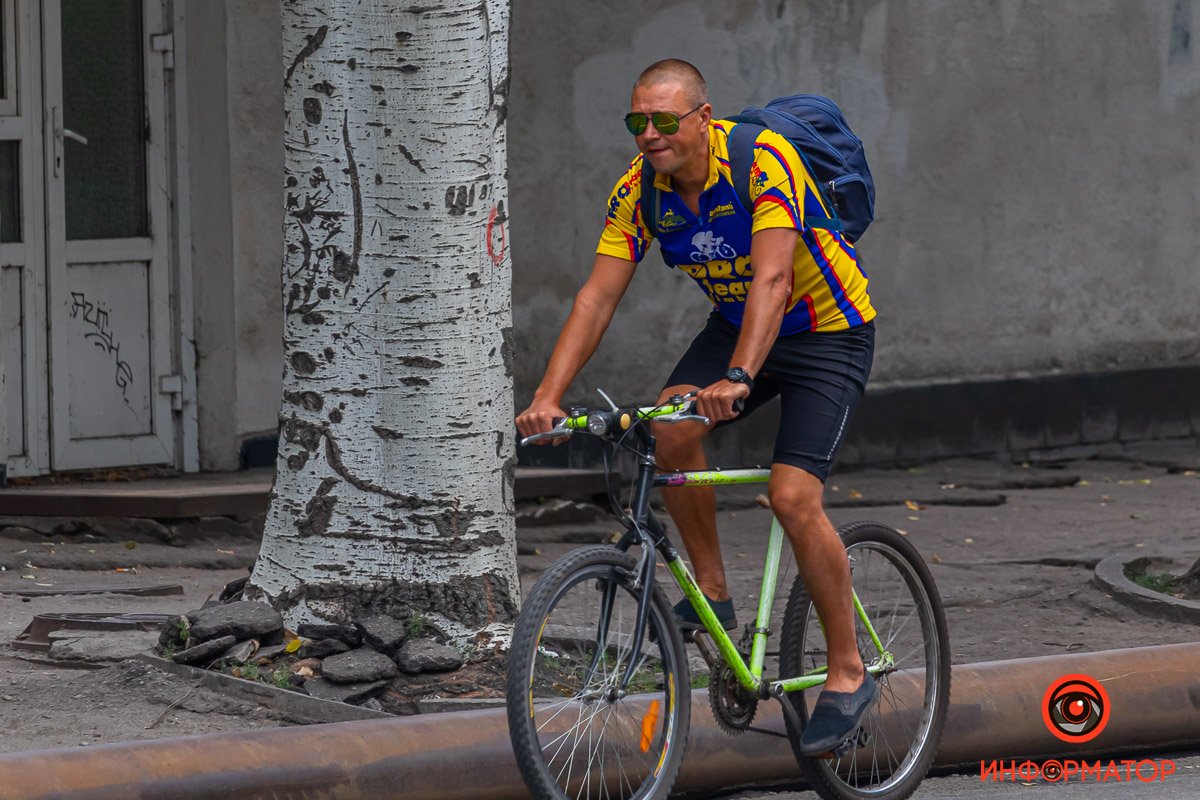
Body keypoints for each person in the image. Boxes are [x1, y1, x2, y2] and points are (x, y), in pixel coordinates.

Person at [515, 59, 878, 755]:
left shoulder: (762, 161)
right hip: (737, 325)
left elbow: (774, 276)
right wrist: (548, 396)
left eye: (664, 120)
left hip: (826, 330)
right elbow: (597, 297)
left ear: (704, 118)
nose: (649, 135)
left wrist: (741, 374)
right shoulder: (640, 190)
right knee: (672, 428)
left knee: (793, 497)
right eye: (637, 122)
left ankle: (847, 672)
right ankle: (713, 592)